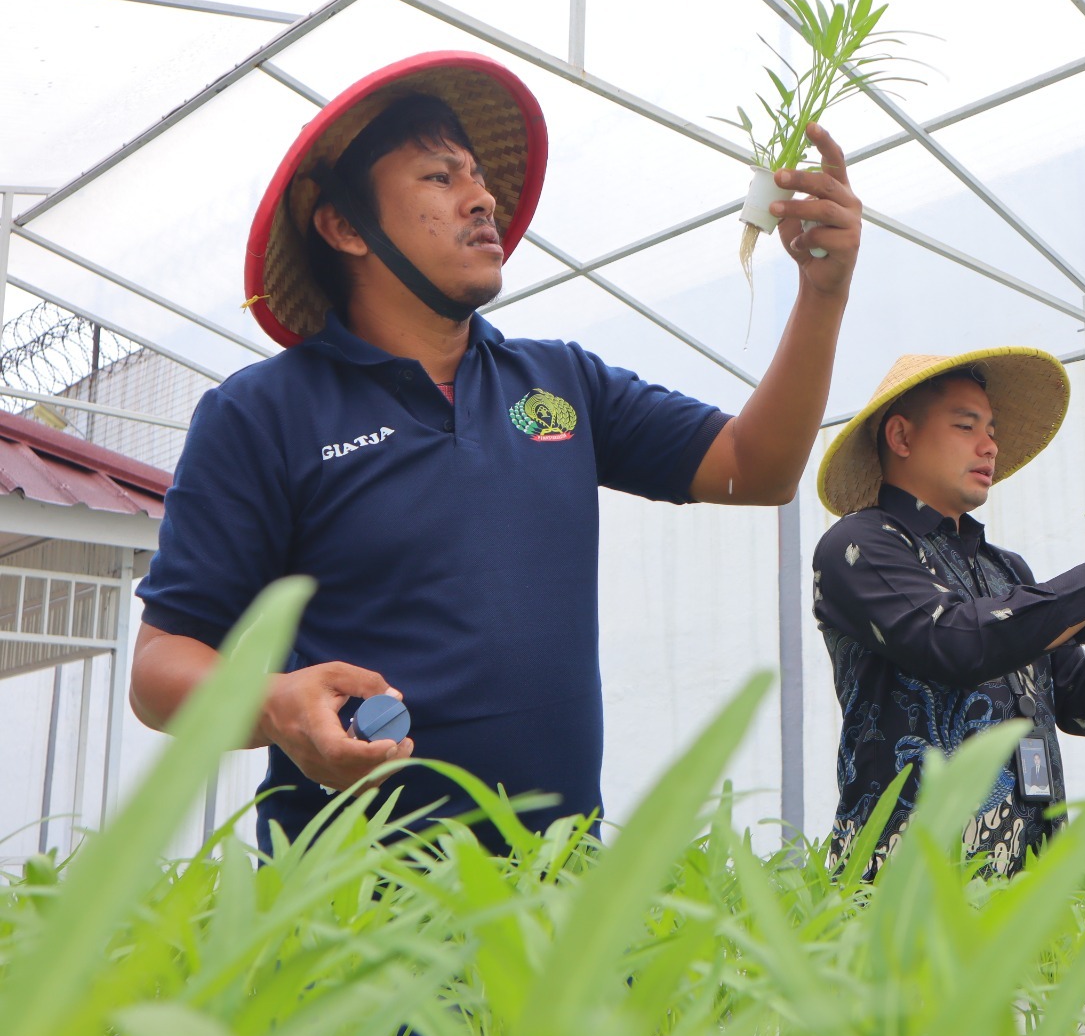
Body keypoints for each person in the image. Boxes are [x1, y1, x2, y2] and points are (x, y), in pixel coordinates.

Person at [129, 51, 863, 853]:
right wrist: (274, 704)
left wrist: (822, 293)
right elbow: (160, 670)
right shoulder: (262, 413)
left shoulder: (562, 383)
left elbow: (757, 468)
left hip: (555, 884)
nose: (482, 198)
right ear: (344, 227)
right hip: (346, 895)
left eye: (478, 177)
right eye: (439, 178)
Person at [811, 349, 1085, 877]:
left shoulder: (1005, 570)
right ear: (902, 437)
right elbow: (957, 642)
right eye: (966, 426)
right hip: (906, 888)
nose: (990, 445)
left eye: (992, 430)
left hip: (1033, 889)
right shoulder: (858, 545)